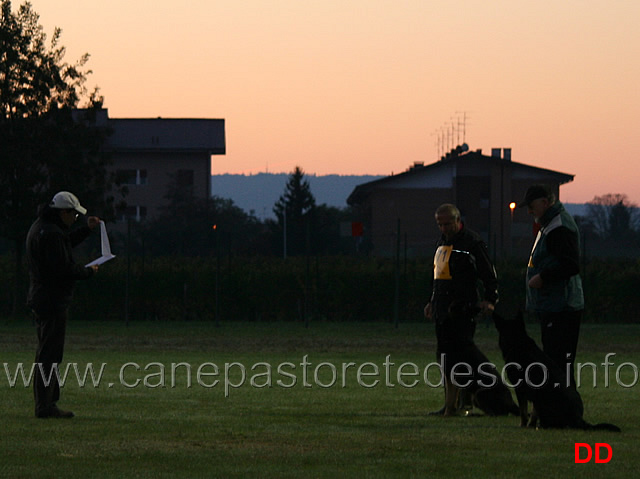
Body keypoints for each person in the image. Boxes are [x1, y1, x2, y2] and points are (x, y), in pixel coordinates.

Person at [26, 191, 101, 419]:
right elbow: (63, 268)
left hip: (42, 297)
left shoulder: (42, 227)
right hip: (52, 300)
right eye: (74, 216)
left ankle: (46, 403)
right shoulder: (51, 234)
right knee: (50, 355)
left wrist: (86, 230)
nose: (74, 220)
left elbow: (64, 243)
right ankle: (45, 406)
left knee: (46, 352)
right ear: (64, 213)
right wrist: (88, 271)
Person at [424, 204, 498, 416]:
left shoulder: (472, 242)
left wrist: (490, 299)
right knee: (445, 358)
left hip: (462, 310)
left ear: (458, 221)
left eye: (447, 224)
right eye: (440, 224)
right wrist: (432, 301)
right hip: (442, 310)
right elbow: (438, 276)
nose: (444, 228)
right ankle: (452, 403)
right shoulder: (442, 242)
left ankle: (460, 403)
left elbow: (488, 273)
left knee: (460, 358)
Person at [519, 184, 584, 390]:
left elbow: (570, 264)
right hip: (554, 304)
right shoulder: (551, 223)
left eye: (531, 206)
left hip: (560, 306)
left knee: (558, 361)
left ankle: (564, 410)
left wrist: (543, 277)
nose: (529, 211)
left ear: (545, 203)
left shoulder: (558, 226)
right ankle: (564, 411)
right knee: (557, 361)